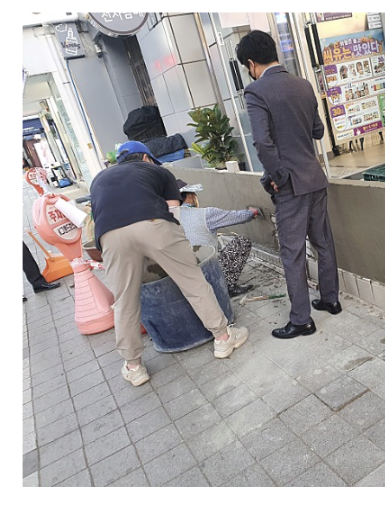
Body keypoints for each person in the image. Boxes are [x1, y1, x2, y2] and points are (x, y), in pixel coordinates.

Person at [90, 140, 249, 387]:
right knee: (193, 282)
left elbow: (99, 217)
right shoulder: (157, 171)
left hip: (110, 237)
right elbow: (174, 215)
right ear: (145, 158)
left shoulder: (99, 179)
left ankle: (134, 367)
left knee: (124, 302)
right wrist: (175, 253)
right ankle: (223, 338)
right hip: (154, 224)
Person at [236, 30, 341, 339]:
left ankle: (301, 320)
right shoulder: (304, 85)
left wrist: (280, 178)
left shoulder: (256, 92)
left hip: (291, 186)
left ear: (251, 63)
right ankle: (330, 299)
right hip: (315, 179)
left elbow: (261, 142)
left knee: (292, 254)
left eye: (247, 67)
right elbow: (318, 131)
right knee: (323, 243)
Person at [176, 179, 261, 297]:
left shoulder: (169, 218)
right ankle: (227, 287)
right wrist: (252, 213)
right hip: (207, 272)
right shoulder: (205, 214)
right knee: (242, 242)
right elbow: (235, 217)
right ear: (190, 195)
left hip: (187, 278)